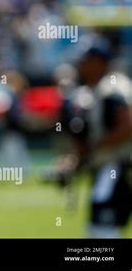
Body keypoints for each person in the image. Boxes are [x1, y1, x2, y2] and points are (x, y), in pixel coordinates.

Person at [63, 42, 132, 237]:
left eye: (86, 61)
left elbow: (127, 126)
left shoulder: (112, 87)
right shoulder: (97, 88)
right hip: (108, 167)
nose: (81, 65)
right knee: (99, 227)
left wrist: (95, 146)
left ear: (99, 62)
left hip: (116, 166)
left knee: (103, 228)